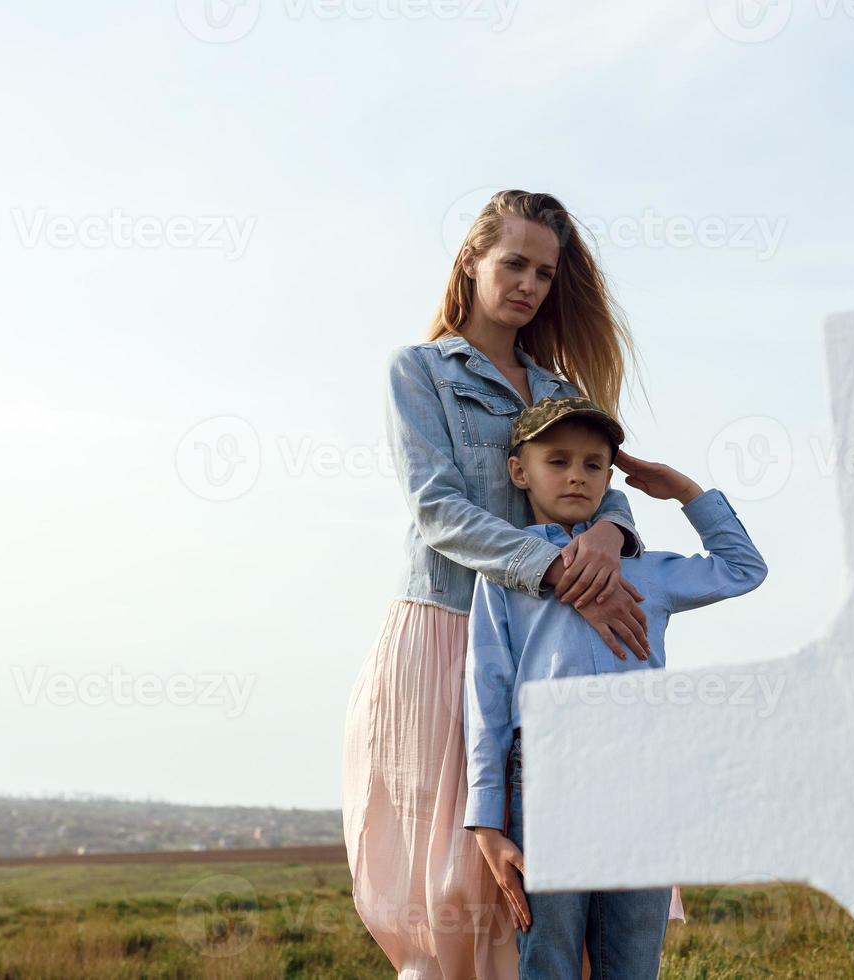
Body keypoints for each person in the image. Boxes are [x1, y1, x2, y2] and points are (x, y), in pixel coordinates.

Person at [342, 189, 686, 979]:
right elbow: (438, 510)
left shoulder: (561, 387)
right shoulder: (419, 372)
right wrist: (561, 566)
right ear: (472, 262)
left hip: (548, 641)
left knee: (552, 874)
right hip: (444, 629)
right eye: (514, 264)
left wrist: (610, 529)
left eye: (544, 271)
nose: (529, 285)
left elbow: (602, 480)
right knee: (461, 884)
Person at [463, 395, 769, 980]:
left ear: (610, 474)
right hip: (549, 772)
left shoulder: (648, 570)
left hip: (644, 772)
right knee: (548, 956)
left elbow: (743, 569)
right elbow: (487, 697)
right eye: (557, 460)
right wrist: (486, 823)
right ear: (519, 471)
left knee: (630, 959)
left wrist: (685, 491)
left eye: (593, 463)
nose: (577, 474)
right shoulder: (506, 577)